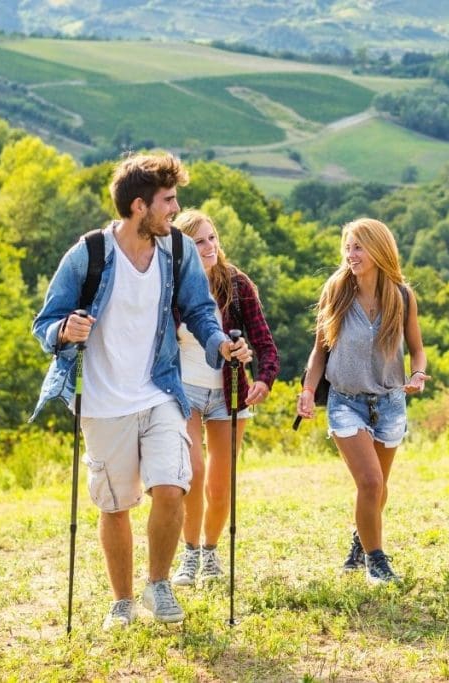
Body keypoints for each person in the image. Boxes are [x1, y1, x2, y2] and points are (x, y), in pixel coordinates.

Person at [30, 153, 252, 630]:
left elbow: (199, 310)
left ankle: (159, 583)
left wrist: (220, 344)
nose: (175, 210)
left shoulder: (176, 250)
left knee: (172, 487)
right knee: (115, 504)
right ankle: (123, 601)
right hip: (104, 401)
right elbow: (45, 323)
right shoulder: (89, 254)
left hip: (159, 390)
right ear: (138, 206)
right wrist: (65, 330)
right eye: (168, 201)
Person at [295, 218, 429, 585]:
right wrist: (307, 391)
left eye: (358, 247)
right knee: (370, 483)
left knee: (378, 489)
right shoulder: (336, 291)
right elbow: (319, 353)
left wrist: (417, 375)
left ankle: (360, 539)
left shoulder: (401, 296)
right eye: (348, 247)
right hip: (345, 402)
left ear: (379, 249)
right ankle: (377, 561)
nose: (351, 255)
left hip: (389, 402)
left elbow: (417, 351)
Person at [169, 209, 280, 586]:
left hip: (230, 392)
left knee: (220, 484)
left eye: (212, 237)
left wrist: (263, 380)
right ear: (183, 247)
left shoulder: (236, 284)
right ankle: (189, 555)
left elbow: (264, 341)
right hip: (185, 389)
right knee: (193, 472)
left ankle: (211, 552)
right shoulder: (171, 286)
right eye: (199, 241)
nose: (209, 246)